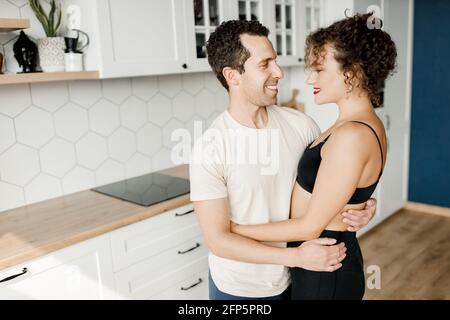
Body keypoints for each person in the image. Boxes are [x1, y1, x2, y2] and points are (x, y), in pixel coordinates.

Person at [189, 19, 377, 300]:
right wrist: (295, 257)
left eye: (275, 61)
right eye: (265, 65)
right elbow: (219, 241)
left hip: (298, 278)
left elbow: (326, 188)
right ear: (233, 76)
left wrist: (358, 204)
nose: (279, 72)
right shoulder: (210, 149)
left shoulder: (302, 126)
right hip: (240, 290)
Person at [231, 12, 397, 299]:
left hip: (325, 269)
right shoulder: (358, 124)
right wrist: (365, 205)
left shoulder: (352, 134)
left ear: (353, 72)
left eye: (319, 70)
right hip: (320, 262)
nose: (310, 79)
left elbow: (310, 226)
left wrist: (234, 230)